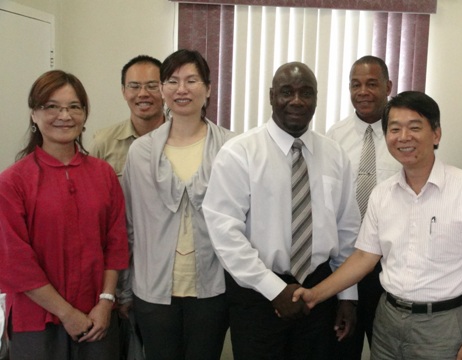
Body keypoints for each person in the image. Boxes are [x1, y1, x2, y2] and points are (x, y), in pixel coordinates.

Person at [294, 91, 462, 360]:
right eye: (394, 129)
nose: (403, 137)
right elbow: (364, 257)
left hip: (443, 326)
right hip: (388, 320)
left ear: (437, 134)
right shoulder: (382, 194)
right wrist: (315, 294)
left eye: (415, 127)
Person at [202, 62, 361, 360]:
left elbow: (347, 231)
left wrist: (347, 296)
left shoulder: (335, 155)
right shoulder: (240, 153)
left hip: (319, 292)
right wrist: (274, 288)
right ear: (272, 96)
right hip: (257, 293)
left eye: (306, 93)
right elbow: (224, 232)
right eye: (287, 92)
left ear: (316, 98)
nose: (297, 100)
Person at [0, 70, 129, 359]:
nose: (65, 115)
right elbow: (14, 262)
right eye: (52, 106)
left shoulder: (103, 174)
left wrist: (106, 303)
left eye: (74, 106)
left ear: (84, 114)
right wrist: (67, 313)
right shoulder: (13, 182)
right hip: (36, 321)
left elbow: (116, 243)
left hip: (98, 318)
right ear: (34, 114)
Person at [121, 49, 232, 360]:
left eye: (192, 80)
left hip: (214, 286)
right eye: (172, 81)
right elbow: (130, 224)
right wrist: (124, 289)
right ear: (162, 89)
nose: (181, 89)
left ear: (208, 88)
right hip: (153, 289)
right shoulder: (140, 152)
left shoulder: (232, 148)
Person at [325, 55, 402, 358]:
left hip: (388, 265)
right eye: (356, 85)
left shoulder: (403, 136)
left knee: (387, 350)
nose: (363, 91)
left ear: (388, 86)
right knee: (341, 349)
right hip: (344, 261)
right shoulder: (334, 137)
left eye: (372, 84)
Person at [92, 54, 165, 360]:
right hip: (117, 268)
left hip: (165, 267)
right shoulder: (103, 142)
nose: (143, 94)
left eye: (152, 85)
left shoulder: (183, 139)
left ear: (165, 89)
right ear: (123, 91)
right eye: (134, 86)